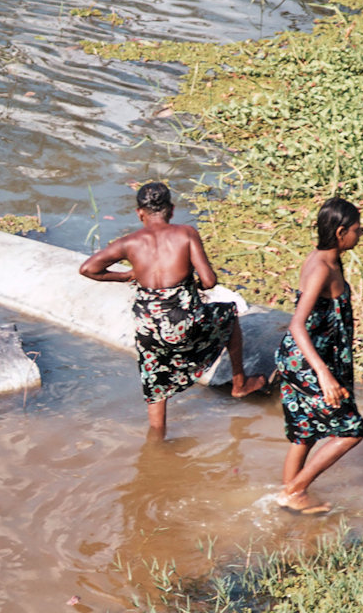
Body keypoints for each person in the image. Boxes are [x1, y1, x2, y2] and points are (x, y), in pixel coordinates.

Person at [79, 181, 267, 439]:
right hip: (182, 323)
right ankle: (239, 383)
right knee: (228, 316)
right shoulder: (185, 233)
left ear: (139, 212)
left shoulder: (129, 242)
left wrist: (126, 276)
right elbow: (210, 281)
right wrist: (194, 284)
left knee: (153, 375)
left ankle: (157, 437)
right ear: (172, 209)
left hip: (148, 326)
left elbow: (88, 269)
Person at [274, 197, 363, 514]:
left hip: (307, 358)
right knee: (352, 431)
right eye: (356, 230)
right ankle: (294, 490)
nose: (361, 233)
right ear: (341, 232)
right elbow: (297, 324)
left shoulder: (328, 258)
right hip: (308, 363)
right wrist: (324, 375)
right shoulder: (321, 269)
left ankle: (291, 499)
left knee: (304, 431)